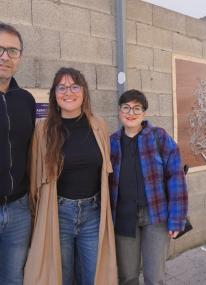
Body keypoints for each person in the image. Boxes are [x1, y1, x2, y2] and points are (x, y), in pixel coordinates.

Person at [24, 67, 117, 285]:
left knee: (94, 275)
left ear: (84, 92)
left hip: (93, 214)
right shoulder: (43, 130)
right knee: (60, 276)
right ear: (54, 94)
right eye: (62, 87)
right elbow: (35, 177)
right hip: (58, 214)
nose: (69, 92)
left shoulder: (99, 126)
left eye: (75, 86)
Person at [110, 89, 188, 285]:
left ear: (144, 113)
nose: (131, 112)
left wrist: (176, 220)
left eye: (137, 108)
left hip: (156, 217)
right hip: (124, 217)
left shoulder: (159, 137)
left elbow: (176, 178)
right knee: (127, 277)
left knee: (155, 277)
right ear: (120, 111)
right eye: (126, 107)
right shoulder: (111, 142)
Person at [0, 22, 36, 285]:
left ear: (20, 58)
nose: (5, 57)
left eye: (12, 51)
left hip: (18, 209)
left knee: (13, 277)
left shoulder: (26, 100)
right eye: (0, 49)